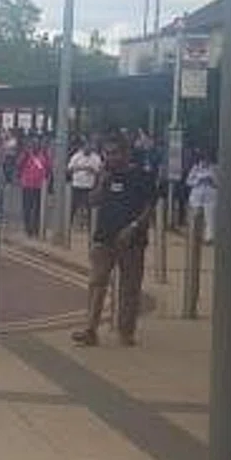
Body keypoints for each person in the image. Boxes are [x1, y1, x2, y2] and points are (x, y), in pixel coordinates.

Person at [74, 138, 156, 347]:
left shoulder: (141, 176)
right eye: (107, 153)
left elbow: (149, 207)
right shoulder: (105, 176)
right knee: (96, 282)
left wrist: (134, 227)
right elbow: (92, 202)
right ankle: (90, 329)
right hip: (104, 238)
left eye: (114, 153)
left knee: (129, 288)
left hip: (132, 241)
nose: (110, 158)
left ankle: (126, 331)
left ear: (126, 153)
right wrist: (102, 182)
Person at [68, 140, 104, 235]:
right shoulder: (76, 156)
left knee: (90, 209)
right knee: (72, 207)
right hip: (77, 185)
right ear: (83, 147)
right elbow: (69, 169)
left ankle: (90, 229)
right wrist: (81, 168)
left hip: (89, 186)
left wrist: (92, 170)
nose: (87, 148)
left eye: (89, 146)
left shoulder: (96, 158)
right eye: (86, 146)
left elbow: (99, 171)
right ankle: (68, 226)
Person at [18, 141, 50, 238]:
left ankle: (36, 228)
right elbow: (18, 165)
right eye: (33, 145)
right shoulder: (26, 155)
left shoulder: (43, 155)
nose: (35, 147)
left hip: (39, 187)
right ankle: (28, 229)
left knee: (38, 209)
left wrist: (47, 182)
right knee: (27, 208)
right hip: (27, 185)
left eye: (37, 145)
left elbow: (48, 168)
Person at [186, 151, 218, 245]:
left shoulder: (215, 168)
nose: (205, 162)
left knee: (210, 218)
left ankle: (209, 238)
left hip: (210, 196)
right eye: (203, 160)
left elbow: (220, 182)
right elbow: (188, 181)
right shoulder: (195, 168)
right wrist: (198, 181)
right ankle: (195, 235)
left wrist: (212, 180)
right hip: (197, 196)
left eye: (207, 160)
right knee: (196, 217)